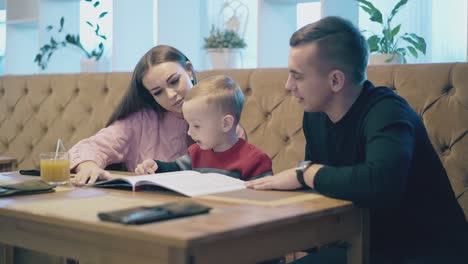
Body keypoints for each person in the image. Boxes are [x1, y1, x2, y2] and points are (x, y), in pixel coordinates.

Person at [246, 16, 468, 263]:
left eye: (297, 76)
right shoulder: (315, 116)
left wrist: (305, 174)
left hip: (426, 250)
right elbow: (323, 186)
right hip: (363, 245)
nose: (288, 86)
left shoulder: (387, 112)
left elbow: (381, 185)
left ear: (336, 80)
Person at [70, 45, 246, 185]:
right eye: (158, 92)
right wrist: (88, 166)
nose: (171, 95)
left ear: (190, 71)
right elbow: (91, 146)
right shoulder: (140, 121)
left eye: (174, 81)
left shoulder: (227, 126)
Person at [135, 75, 272, 180]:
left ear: (226, 124)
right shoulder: (195, 153)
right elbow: (176, 169)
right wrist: (155, 166)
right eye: (189, 125)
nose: (189, 132)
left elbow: (265, 198)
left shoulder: (256, 160)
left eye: (197, 126)